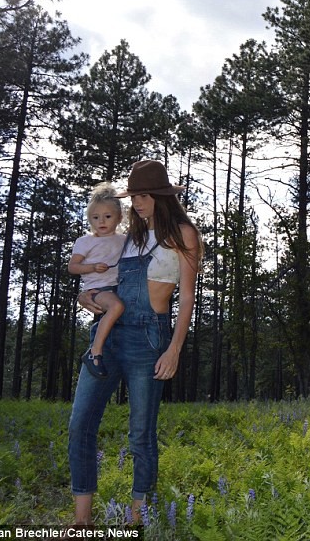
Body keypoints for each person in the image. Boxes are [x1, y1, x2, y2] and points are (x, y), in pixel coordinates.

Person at [68, 159, 201, 526]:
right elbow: (103, 279)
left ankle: (136, 520)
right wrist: (88, 297)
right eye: (133, 197)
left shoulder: (184, 235)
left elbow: (187, 297)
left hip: (149, 336)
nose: (135, 203)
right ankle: (82, 522)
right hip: (107, 335)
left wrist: (174, 348)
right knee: (80, 424)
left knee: (141, 433)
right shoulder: (129, 238)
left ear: (160, 196)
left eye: (142, 196)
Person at [68, 183, 127, 378]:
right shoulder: (85, 242)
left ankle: (111, 351)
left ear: (119, 218)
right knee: (116, 307)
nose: (101, 221)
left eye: (107, 216)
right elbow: (73, 267)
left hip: (119, 287)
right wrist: (92, 267)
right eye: (95, 217)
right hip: (97, 290)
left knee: (120, 309)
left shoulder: (124, 239)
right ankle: (95, 353)